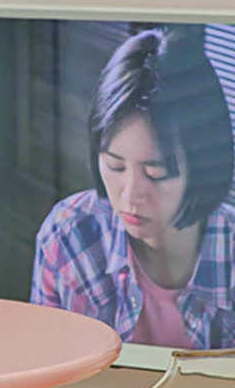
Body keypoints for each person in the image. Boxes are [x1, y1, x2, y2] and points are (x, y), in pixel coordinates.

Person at [30, 28, 235, 349]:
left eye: (155, 173)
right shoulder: (69, 237)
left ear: (204, 163)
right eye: (115, 166)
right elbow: (47, 372)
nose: (129, 196)